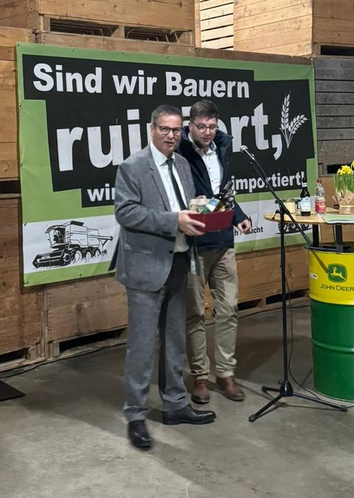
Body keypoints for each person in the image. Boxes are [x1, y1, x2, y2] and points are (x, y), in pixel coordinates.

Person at [113, 104, 216, 451]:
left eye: (176, 130)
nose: (171, 136)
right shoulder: (133, 167)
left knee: (174, 341)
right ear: (152, 129)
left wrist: (198, 211)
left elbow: (182, 206)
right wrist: (175, 220)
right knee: (142, 346)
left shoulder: (183, 164)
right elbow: (126, 212)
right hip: (145, 268)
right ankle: (136, 415)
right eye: (164, 129)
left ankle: (174, 405)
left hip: (180, 262)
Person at [176, 99, 251, 405]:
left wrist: (239, 215)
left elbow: (224, 193)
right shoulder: (179, 151)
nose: (207, 132)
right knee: (195, 312)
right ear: (190, 126)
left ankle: (226, 373)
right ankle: (200, 376)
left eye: (212, 126)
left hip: (223, 242)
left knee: (229, 308)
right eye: (201, 127)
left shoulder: (222, 147)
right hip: (194, 243)